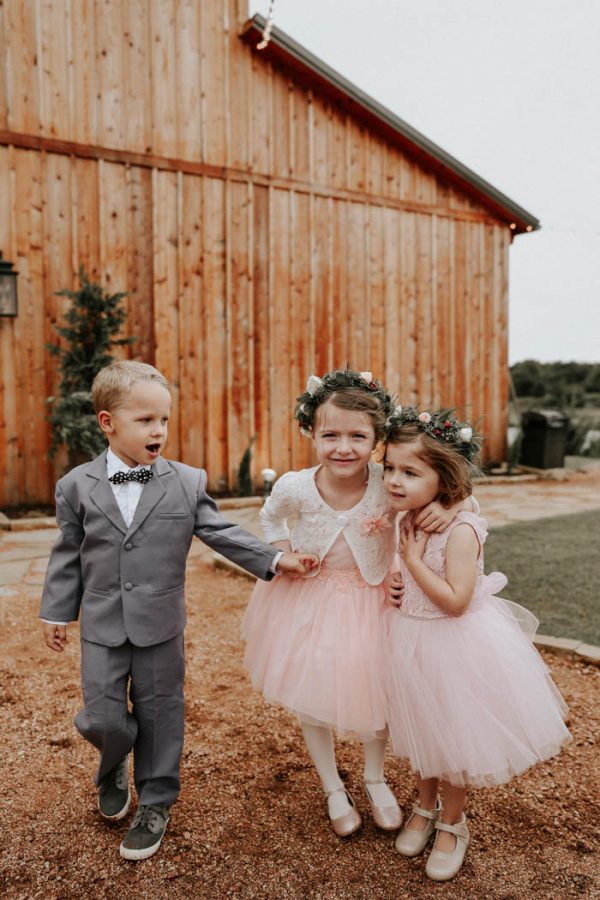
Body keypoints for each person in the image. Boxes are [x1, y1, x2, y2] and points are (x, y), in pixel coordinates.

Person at [40, 360, 312, 862]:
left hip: (161, 625)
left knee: (162, 712)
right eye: (145, 420)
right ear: (108, 422)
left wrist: (275, 559)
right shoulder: (75, 486)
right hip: (101, 624)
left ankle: (156, 802)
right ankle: (114, 759)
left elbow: (221, 532)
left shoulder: (186, 482)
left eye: (163, 419)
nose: (158, 430)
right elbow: (67, 551)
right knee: (102, 715)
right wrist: (56, 612)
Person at [241, 370, 468, 838]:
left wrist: (454, 508)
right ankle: (331, 787)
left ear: (377, 438)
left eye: (357, 437)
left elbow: (454, 496)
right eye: (331, 435)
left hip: (373, 600)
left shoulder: (388, 482)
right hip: (307, 599)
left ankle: (374, 777)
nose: (343, 448)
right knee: (311, 688)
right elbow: (269, 518)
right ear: (311, 432)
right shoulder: (294, 486)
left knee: (376, 689)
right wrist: (282, 553)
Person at [381, 406, 571, 882]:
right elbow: (396, 562)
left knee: (453, 740)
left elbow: (456, 603)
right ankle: (424, 807)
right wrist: (394, 573)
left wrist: (413, 560)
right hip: (411, 640)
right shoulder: (404, 516)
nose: (393, 481)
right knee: (422, 730)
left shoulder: (460, 530)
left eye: (409, 471)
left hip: (454, 645)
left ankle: (452, 821)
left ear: (443, 479)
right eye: (389, 468)